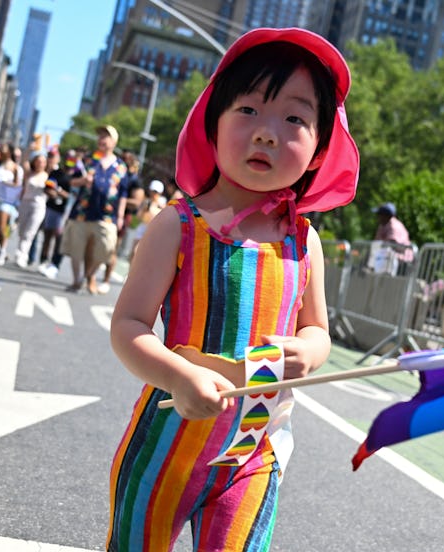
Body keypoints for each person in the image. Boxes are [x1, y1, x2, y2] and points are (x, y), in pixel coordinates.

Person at [107, 27, 359, 550]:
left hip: (254, 452)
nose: (268, 132)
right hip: (163, 449)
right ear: (213, 124)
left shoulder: (303, 241)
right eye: (248, 110)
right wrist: (179, 376)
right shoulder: (178, 225)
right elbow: (129, 326)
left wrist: (310, 352)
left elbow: (318, 329)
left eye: (295, 118)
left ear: (318, 151)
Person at [61, 125, 127, 294]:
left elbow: (123, 193)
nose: (101, 139)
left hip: (106, 215)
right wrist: (83, 181)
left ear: (114, 141)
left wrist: (120, 216)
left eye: (106, 136)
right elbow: (71, 181)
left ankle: (88, 276)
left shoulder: (121, 166)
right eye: (100, 136)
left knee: (106, 248)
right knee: (76, 248)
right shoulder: (89, 160)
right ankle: (76, 281)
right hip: (82, 212)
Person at [37, 149, 78, 279]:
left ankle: (55, 264)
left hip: (65, 212)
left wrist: (59, 191)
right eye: (68, 157)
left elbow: (73, 195)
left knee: (59, 238)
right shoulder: (56, 172)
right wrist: (53, 193)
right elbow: (47, 187)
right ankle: (43, 260)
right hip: (51, 208)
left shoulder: (77, 177)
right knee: (47, 235)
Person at [13, 152, 49, 268]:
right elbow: (24, 162)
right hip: (25, 203)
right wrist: (29, 149)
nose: (41, 164)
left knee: (30, 232)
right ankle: (20, 251)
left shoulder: (47, 176)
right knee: (22, 230)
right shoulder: (29, 174)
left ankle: (22, 256)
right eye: (39, 161)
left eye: (43, 162)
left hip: (38, 205)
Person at [128, 179, 167, 260]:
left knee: (140, 254)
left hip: (153, 231)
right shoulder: (146, 202)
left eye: (156, 192)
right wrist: (144, 210)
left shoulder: (163, 204)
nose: (154, 194)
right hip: (142, 228)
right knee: (133, 253)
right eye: (153, 191)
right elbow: (139, 217)